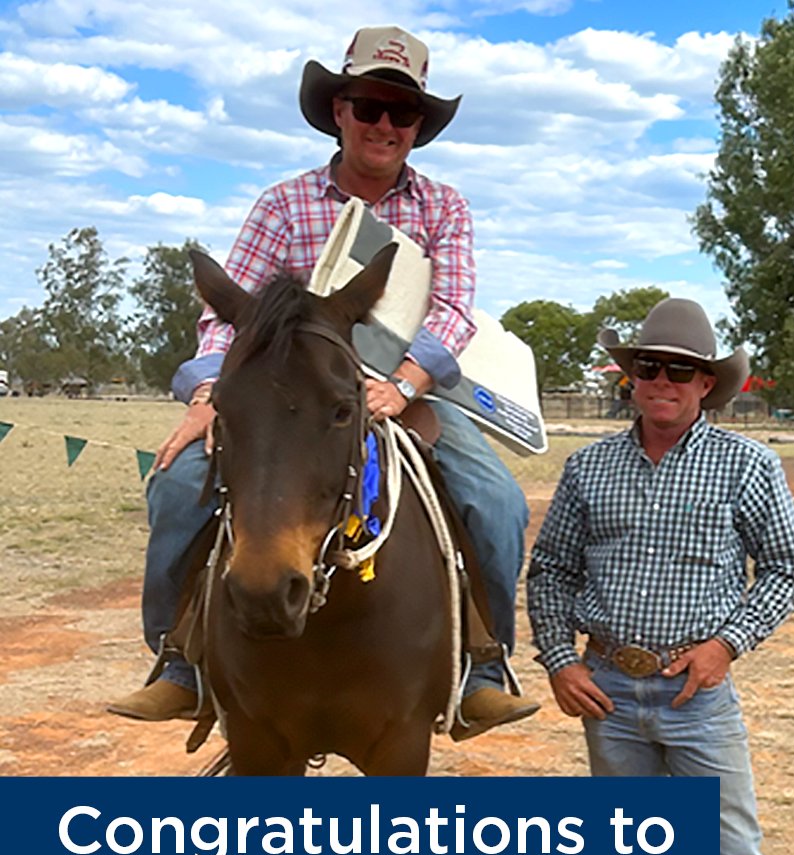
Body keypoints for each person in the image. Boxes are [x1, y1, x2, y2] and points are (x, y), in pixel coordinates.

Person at [109, 26, 537, 739]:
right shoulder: (283, 204)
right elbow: (229, 316)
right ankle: (178, 661)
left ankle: (483, 669)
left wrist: (403, 383)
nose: (385, 125)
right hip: (287, 398)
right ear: (339, 109)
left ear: (419, 127)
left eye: (403, 114)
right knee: (179, 485)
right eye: (370, 105)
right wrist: (210, 396)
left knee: (497, 503)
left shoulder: (443, 208)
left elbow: (455, 305)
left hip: (407, 388)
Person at [526, 298, 794, 855]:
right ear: (628, 377)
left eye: (679, 370)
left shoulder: (748, 466)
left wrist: (728, 644)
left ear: (707, 383)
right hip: (609, 691)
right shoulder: (588, 468)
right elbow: (551, 570)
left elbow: (788, 572)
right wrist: (559, 660)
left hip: (697, 694)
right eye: (647, 366)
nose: (661, 381)